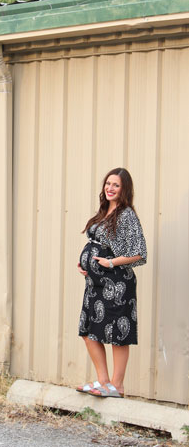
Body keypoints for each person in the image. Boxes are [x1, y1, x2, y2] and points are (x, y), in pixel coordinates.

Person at [76, 167, 147, 398]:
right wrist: (85, 264)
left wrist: (110, 263)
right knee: (88, 330)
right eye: (108, 183)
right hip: (95, 285)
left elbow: (140, 253)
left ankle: (117, 386)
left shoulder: (127, 215)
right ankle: (103, 382)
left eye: (115, 185)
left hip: (117, 285)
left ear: (124, 189)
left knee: (118, 334)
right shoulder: (103, 212)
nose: (110, 188)